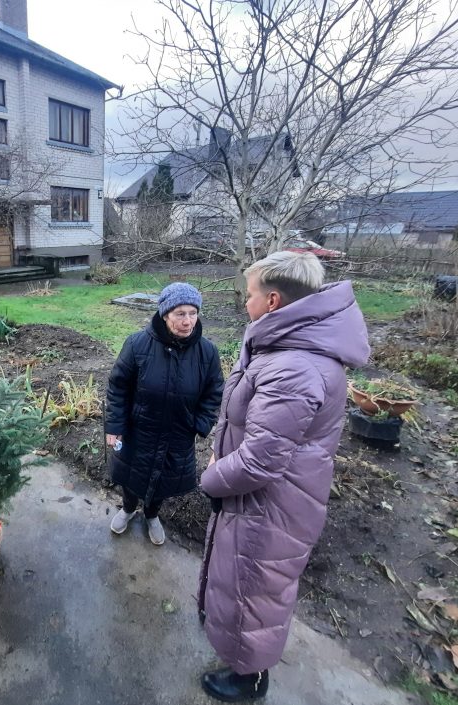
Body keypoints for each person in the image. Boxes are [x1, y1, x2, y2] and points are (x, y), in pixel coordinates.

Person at [197, 251, 370, 701]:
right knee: (251, 585)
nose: (243, 301)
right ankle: (244, 659)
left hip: (270, 506)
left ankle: (249, 678)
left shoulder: (293, 366)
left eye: (249, 293)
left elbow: (259, 461)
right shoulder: (285, 345)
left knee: (256, 591)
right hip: (269, 499)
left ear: (273, 301)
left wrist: (211, 479)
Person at [105, 282, 223, 545]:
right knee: (132, 473)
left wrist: (199, 423)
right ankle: (127, 508)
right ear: (165, 314)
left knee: (163, 478)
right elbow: (118, 387)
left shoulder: (207, 352)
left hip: (178, 433)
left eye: (193, 313)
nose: (188, 321)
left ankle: (152, 514)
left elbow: (214, 392)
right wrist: (115, 425)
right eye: (180, 313)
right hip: (139, 429)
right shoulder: (137, 344)